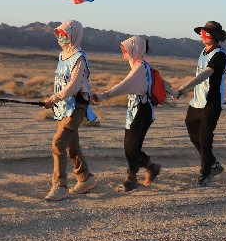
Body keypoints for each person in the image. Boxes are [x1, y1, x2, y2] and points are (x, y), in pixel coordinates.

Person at [91, 36, 163, 192]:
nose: (124, 52)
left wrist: (104, 96)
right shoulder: (140, 65)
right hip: (137, 110)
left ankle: (132, 178)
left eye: (126, 49)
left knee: (131, 146)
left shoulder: (140, 67)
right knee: (131, 145)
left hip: (141, 111)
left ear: (135, 49)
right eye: (123, 50)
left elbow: (124, 85)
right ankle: (151, 167)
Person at [41, 20, 98, 201]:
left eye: (64, 35)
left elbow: (73, 86)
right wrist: (56, 100)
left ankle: (60, 186)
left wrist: (54, 98)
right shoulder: (62, 55)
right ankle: (86, 178)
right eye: (59, 34)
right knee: (71, 145)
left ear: (74, 35)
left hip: (76, 107)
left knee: (58, 144)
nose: (60, 38)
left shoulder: (79, 58)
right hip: (63, 107)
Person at [170, 21, 226, 187]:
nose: (203, 36)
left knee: (205, 139)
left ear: (214, 37)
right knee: (192, 131)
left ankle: (206, 172)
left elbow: (205, 74)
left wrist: (183, 88)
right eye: (202, 33)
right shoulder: (203, 52)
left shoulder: (220, 55)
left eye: (206, 34)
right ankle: (213, 164)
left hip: (212, 103)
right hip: (197, 101)